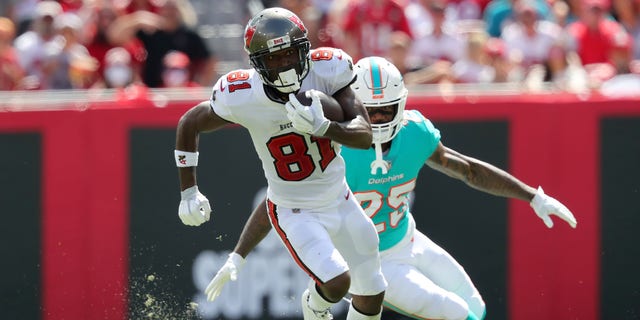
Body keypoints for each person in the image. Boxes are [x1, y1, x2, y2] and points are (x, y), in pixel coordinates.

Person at [203, 56, 578, 320]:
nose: (378, 119)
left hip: (407, 239)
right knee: (455, 314)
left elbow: (464, 168)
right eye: (371, 111)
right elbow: (280, 199)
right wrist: (239, 254)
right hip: (368, 260)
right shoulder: (331, 143)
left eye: (386, 110)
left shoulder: (414, 131)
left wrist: (532, 195)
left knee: (475, 310)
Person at [174, 7, 387, 320]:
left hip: (340, 198)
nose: (284, 65)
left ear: (305, 49)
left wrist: (324, 128)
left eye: (289, 54)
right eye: (273, 59)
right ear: (257, 64)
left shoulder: (327, 70)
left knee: (372, 291)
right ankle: (313, 305)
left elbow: (364, 135)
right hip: (295, 209)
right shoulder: (241, 94)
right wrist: (188, 191)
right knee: (337, 282)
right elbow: (190, 121)